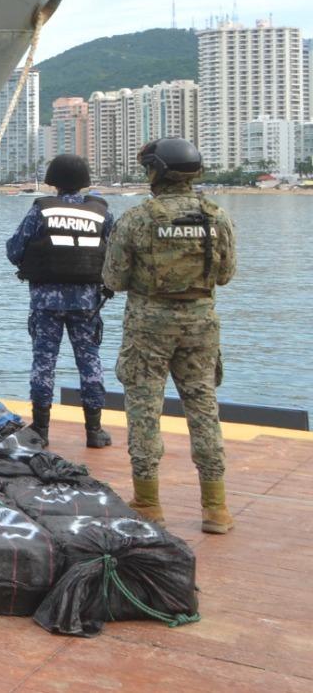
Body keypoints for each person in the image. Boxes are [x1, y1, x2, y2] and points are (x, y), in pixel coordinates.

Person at [102, 137, 237, 534]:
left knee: (144, 409)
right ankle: (216, 508)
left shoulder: (138, 219)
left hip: (148, 325)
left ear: (155, 172)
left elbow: (113, 278)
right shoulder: (217, 217)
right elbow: (226, 275)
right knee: (203, 407)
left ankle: (147, 501)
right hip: (200, 324)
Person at [6, 154, 115, 449]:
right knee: (90, 362)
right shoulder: (101, 212)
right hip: (87, 302)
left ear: (53, 180)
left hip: (46, 302)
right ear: (84, 182)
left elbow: (15, 250)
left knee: (44, 363)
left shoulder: (41, 210)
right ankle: (94, 431)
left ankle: (40, 430)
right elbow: (115, 255)